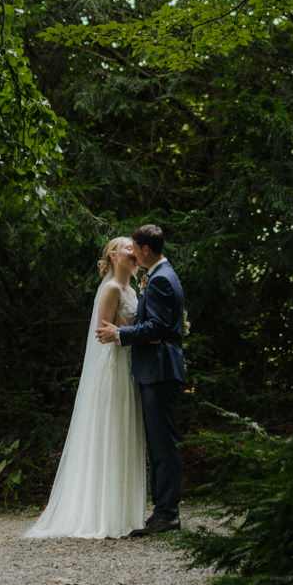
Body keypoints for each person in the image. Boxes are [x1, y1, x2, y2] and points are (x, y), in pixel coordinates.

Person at [24, 237, 147, 540]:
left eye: (134, 248)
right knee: (111, 432)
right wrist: (126, 334)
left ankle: (124, 513)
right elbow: (102, 334)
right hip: (113, 368)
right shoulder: (111, 289)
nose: (133, 251)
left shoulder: (133, 291)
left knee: (126, 433)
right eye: (127, 248)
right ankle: (102, 514)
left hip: (130, 367)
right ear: (113, 256)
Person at [96, 223, 185, 534]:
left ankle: (167, 513)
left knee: (163, 445)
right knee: (160, 443)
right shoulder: (160, 275)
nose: (133, 253)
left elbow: (157, 327)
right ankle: (163, 511)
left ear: (146, 250)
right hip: (155, 368)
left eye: (134, 247)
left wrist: (121, 334)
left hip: (159, 370)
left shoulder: (160, 279)